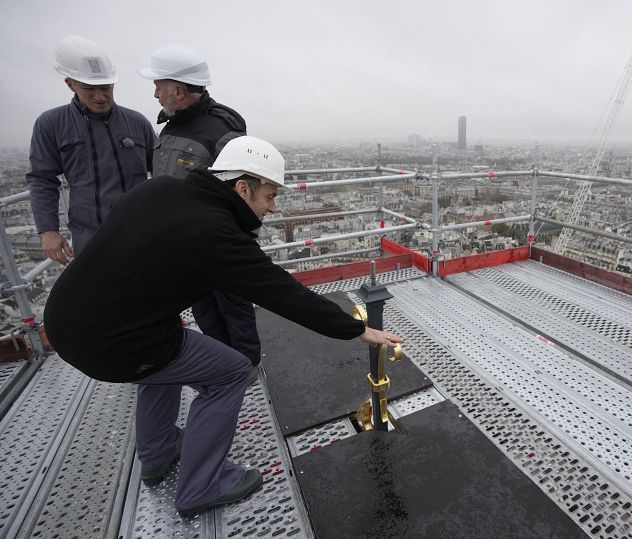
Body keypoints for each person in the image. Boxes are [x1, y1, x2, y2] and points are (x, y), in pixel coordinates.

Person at [43, 135, 401, 517]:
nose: (273, 208)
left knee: (165, 354)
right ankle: (201, 486)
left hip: (66, 316)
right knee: (230, 371)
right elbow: (283, 294)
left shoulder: (160, 189)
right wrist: (355, 329)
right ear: (242, 187)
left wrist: (154, 307)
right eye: (269, 196)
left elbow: (128, 250)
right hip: (113, 344)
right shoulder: (219, 237)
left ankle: (158, 451)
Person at [139, 44, 262, 371]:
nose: (155, 94)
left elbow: (242, 191)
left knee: (234, 307)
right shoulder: (173, 126)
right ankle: (224, 363)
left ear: (177, 90)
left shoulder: (220, 129)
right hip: (183, 244)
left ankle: (246, 367)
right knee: (205, 309)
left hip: (216, 243)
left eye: (159, 86)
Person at [27, 35, 155, 263]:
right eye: (89, 88)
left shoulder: (138, 122)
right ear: (70, 84)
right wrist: (48, 230)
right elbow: (42, 179)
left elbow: (161, 171)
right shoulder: (51, 124)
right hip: (89, 237)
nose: (100, 97)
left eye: (106, 88)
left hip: (142, 231)